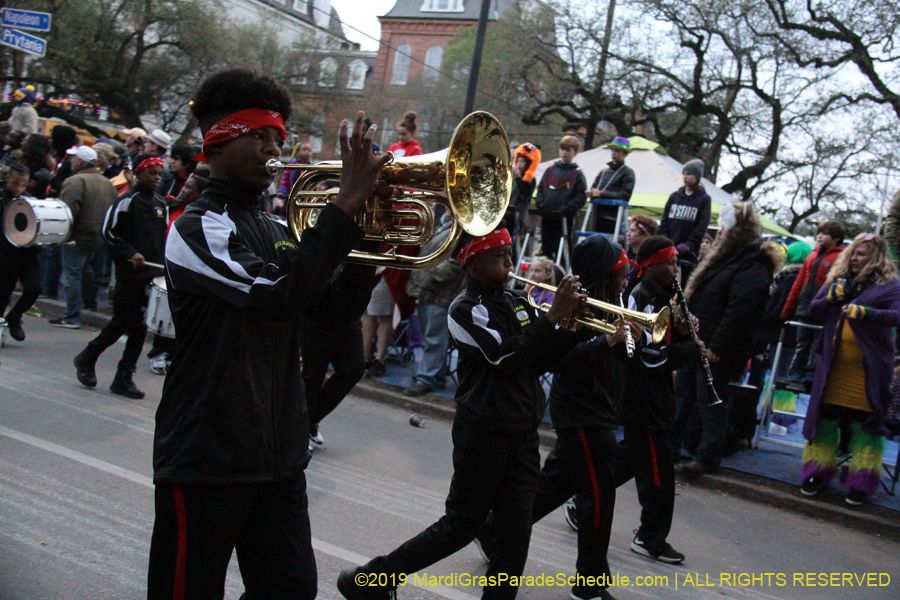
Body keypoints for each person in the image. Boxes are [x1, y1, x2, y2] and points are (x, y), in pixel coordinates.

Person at [146, 67, 392, 599]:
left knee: (292, 590)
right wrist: (343, 207)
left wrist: (366, 242)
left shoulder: (280, 228)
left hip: (279, 454)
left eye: (278, 137)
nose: (273, 148)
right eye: (258, 135)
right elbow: (277, 295)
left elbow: (329, 314)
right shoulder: (196, 227)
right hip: (209, 456)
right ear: (217, 141)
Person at [337, 228, 583, 600]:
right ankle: (372, 578)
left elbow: (542, 360)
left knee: (516, 530)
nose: (509, 263)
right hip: (484, 431)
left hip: (522, 430)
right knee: (461, 525)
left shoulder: (517, 300)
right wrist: (552, 320)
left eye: (509, 254)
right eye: (499, 257)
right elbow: (508, 357)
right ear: (472, 264)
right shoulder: (465, 309)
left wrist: (569, 328)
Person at [476, 235, 639, 600]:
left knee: (553, 486)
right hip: (583, 411)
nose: (627, 280)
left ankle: (491, 530)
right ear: (607, 275)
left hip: (600, 409)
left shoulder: (614, 306)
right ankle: (590, 584)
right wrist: (607, 341)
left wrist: (636, 338)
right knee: (597, 497)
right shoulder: (576, 307)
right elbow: (560, 360)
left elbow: (621, 359)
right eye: (622, 274)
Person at [674, 201, 780, 476]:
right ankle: (670, 448)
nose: (719, 231)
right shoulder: (729, 261)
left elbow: (741, 312)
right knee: (683, 396)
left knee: (710, 402)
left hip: (713, 345)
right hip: (698, 341)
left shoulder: (751, 265)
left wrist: (718, 348)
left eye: (723, 227)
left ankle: (707, 456)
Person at [617, 235, 703, 565]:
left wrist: (681, 333)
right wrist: (688, 350)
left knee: (628, 460)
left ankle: (581, 497)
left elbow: (661, 344)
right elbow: (646, 357)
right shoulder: (642, 297)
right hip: (643, 399)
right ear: (651, 266)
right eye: (670, 263)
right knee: (659, 475)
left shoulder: (664, 296)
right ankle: (649, 537)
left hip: (656, 397)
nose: (676, 269)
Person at [799, 234, 900, 506]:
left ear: (876, 257)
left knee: (866, 426)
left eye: (862, 254)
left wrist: (867, 313)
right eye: (853, 253)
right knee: (825, 421)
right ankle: (816, 473)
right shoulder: (838, 279)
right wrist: (830, 298)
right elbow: (813, 309)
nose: (855, 258)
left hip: (868, 370)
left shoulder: (891, 285)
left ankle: (861, 483)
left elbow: (897, 316)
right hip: (832, 368)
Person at [72, 154, 167, 398]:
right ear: (139, 173)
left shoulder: (160, 203)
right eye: (151, 173)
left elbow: (161, 239)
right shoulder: (127, 200)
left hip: (151, 273)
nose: (156, 178)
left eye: (159, 174)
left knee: (140, 327)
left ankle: (124, 377)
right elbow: (109, 231)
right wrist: (130, 252)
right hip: (129, 274)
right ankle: (87, 356)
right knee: (123, 321)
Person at [50, 146, 119, 328]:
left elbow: (67, 212)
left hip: (77, 237)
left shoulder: (75, 181)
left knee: (71, 276)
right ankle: (89, 304)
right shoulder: (107, 183)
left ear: (79, 162)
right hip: (98, 237)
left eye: (74, 159)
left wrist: (62, 235)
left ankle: (71, 316)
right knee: (86, 270)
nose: (71, 161)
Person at [403, 216, 466, 396]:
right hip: (431, 290)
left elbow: (457, 262)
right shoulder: (448, 224)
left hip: (442, 292)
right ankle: (434, 376)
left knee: (434, 337)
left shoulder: (465, 230)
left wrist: (429, 274)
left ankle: (426, 378)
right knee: (431, 336)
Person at [781, 220, 845, 381]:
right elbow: (798, 283)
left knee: (818, 342)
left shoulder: (840, 258)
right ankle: (797, 370)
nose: (820, 236)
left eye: (825, 234)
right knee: (802, 341)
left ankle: (812, 372)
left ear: (836, 238)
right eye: (819, 233)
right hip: (805, 305)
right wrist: (789, 308)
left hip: (824, 307)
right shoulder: (812, 256)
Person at [0, 164, 41, 341]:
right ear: (7, 178)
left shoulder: (29, 201)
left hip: (28, 254)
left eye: (24, 184)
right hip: (5, 254)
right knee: (3, 294)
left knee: (34, 288)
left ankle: (15, 317)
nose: (20, 188)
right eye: (16, 183)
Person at [535, 135, 587, 263]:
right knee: (546, 249)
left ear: (575, 152)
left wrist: (567, 209)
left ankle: (561, 272)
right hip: (547, 216)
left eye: (568, 150)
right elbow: (540, 189)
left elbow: (581, 197)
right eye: (562, 149)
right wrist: (541, 205)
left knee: (562, 250)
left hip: (564, 219)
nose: (564, 152)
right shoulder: (550, 170)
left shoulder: (577, 174)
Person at [657, 159, 712, 261]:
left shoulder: (704, 199)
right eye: (684, 174)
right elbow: (664, 221)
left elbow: (702, 226)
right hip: (668, 250)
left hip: (688, 254)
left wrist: (689, 244)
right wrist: (665, 240)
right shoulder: (674, 196)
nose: (685, 177)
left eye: (689, 174)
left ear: (697, 176)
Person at [587, 136, 636, 236]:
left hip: (613, 217)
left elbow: (625, 195)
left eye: (617, 151)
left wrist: (601, 193)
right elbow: (594, 188)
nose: (613, 153)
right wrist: (591, 193)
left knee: (609, 242)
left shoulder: (628, 172)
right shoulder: (603, 171)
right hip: (596, 214)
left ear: (625, 154)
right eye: (612, 150)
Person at [506, 143, 540, 241]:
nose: (519, 164)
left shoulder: (530, 180)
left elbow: (524, 195)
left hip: (518, 214)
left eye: (522, 161)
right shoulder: (511, 176)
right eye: (518, 161)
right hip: (507, 211)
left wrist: (519, 178)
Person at [624, 215, 659, 297]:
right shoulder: (625, 256)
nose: (628, 234)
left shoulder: (650, 263)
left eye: (633, 231)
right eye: (629, 230)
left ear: (646, 235)